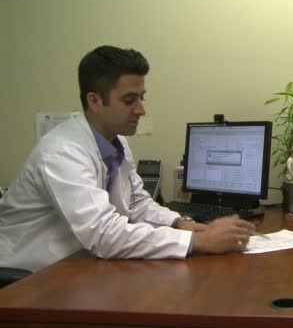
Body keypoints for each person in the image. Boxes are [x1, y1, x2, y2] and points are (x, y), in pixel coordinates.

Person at [0, 45, 256, 273]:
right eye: (129, 99)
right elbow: (102, 233)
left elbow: (137, 205)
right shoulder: (62, 152)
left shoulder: (117, 141)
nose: (141, 109)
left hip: (78, 265)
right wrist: (198, 242)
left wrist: (181, 224)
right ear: (95, 101)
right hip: (28, 278)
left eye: (141, 97)